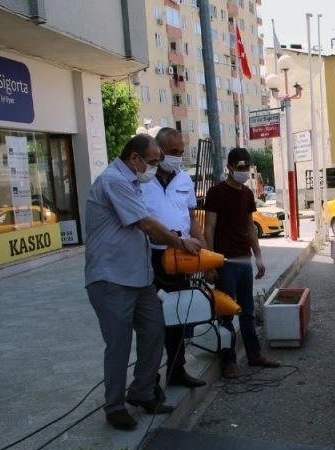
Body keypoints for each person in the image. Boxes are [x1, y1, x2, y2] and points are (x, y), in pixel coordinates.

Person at [85, 134, 202, 430]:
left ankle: (142, 391)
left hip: (139, 278)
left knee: (154, 332)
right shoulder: (114, 181)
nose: (155, 167)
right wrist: (179, 242)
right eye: (152, 162)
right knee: (119, 345)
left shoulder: (134, 182)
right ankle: (114, 407)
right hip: (111, 278)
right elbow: (146, 224)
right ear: (134, 159)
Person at [204, 147, 280, 379]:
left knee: (247, 311)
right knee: (226, 312)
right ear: (229, 167)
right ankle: (228, 361)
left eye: (247, 167)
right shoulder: (216, 193)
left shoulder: (247, 195)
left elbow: (249, 226)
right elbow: (209, 228)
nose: (244, 171)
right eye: (240, 168)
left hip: (243, 260)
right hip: (224, 262)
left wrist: (258, 257)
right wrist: (209, 264)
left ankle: (254, 355)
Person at [142, 128, 207, 390]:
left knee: (179, 315)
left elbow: (191, 219)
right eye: (173, 152)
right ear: (158, 150)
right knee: (153, 321)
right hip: (150, 257)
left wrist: (204, 248)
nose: (178, 157)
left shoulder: (184, 180)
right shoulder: (143, 180)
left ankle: (176, 369)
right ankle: (150, 379)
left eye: (181, 152)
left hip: (181, 255)